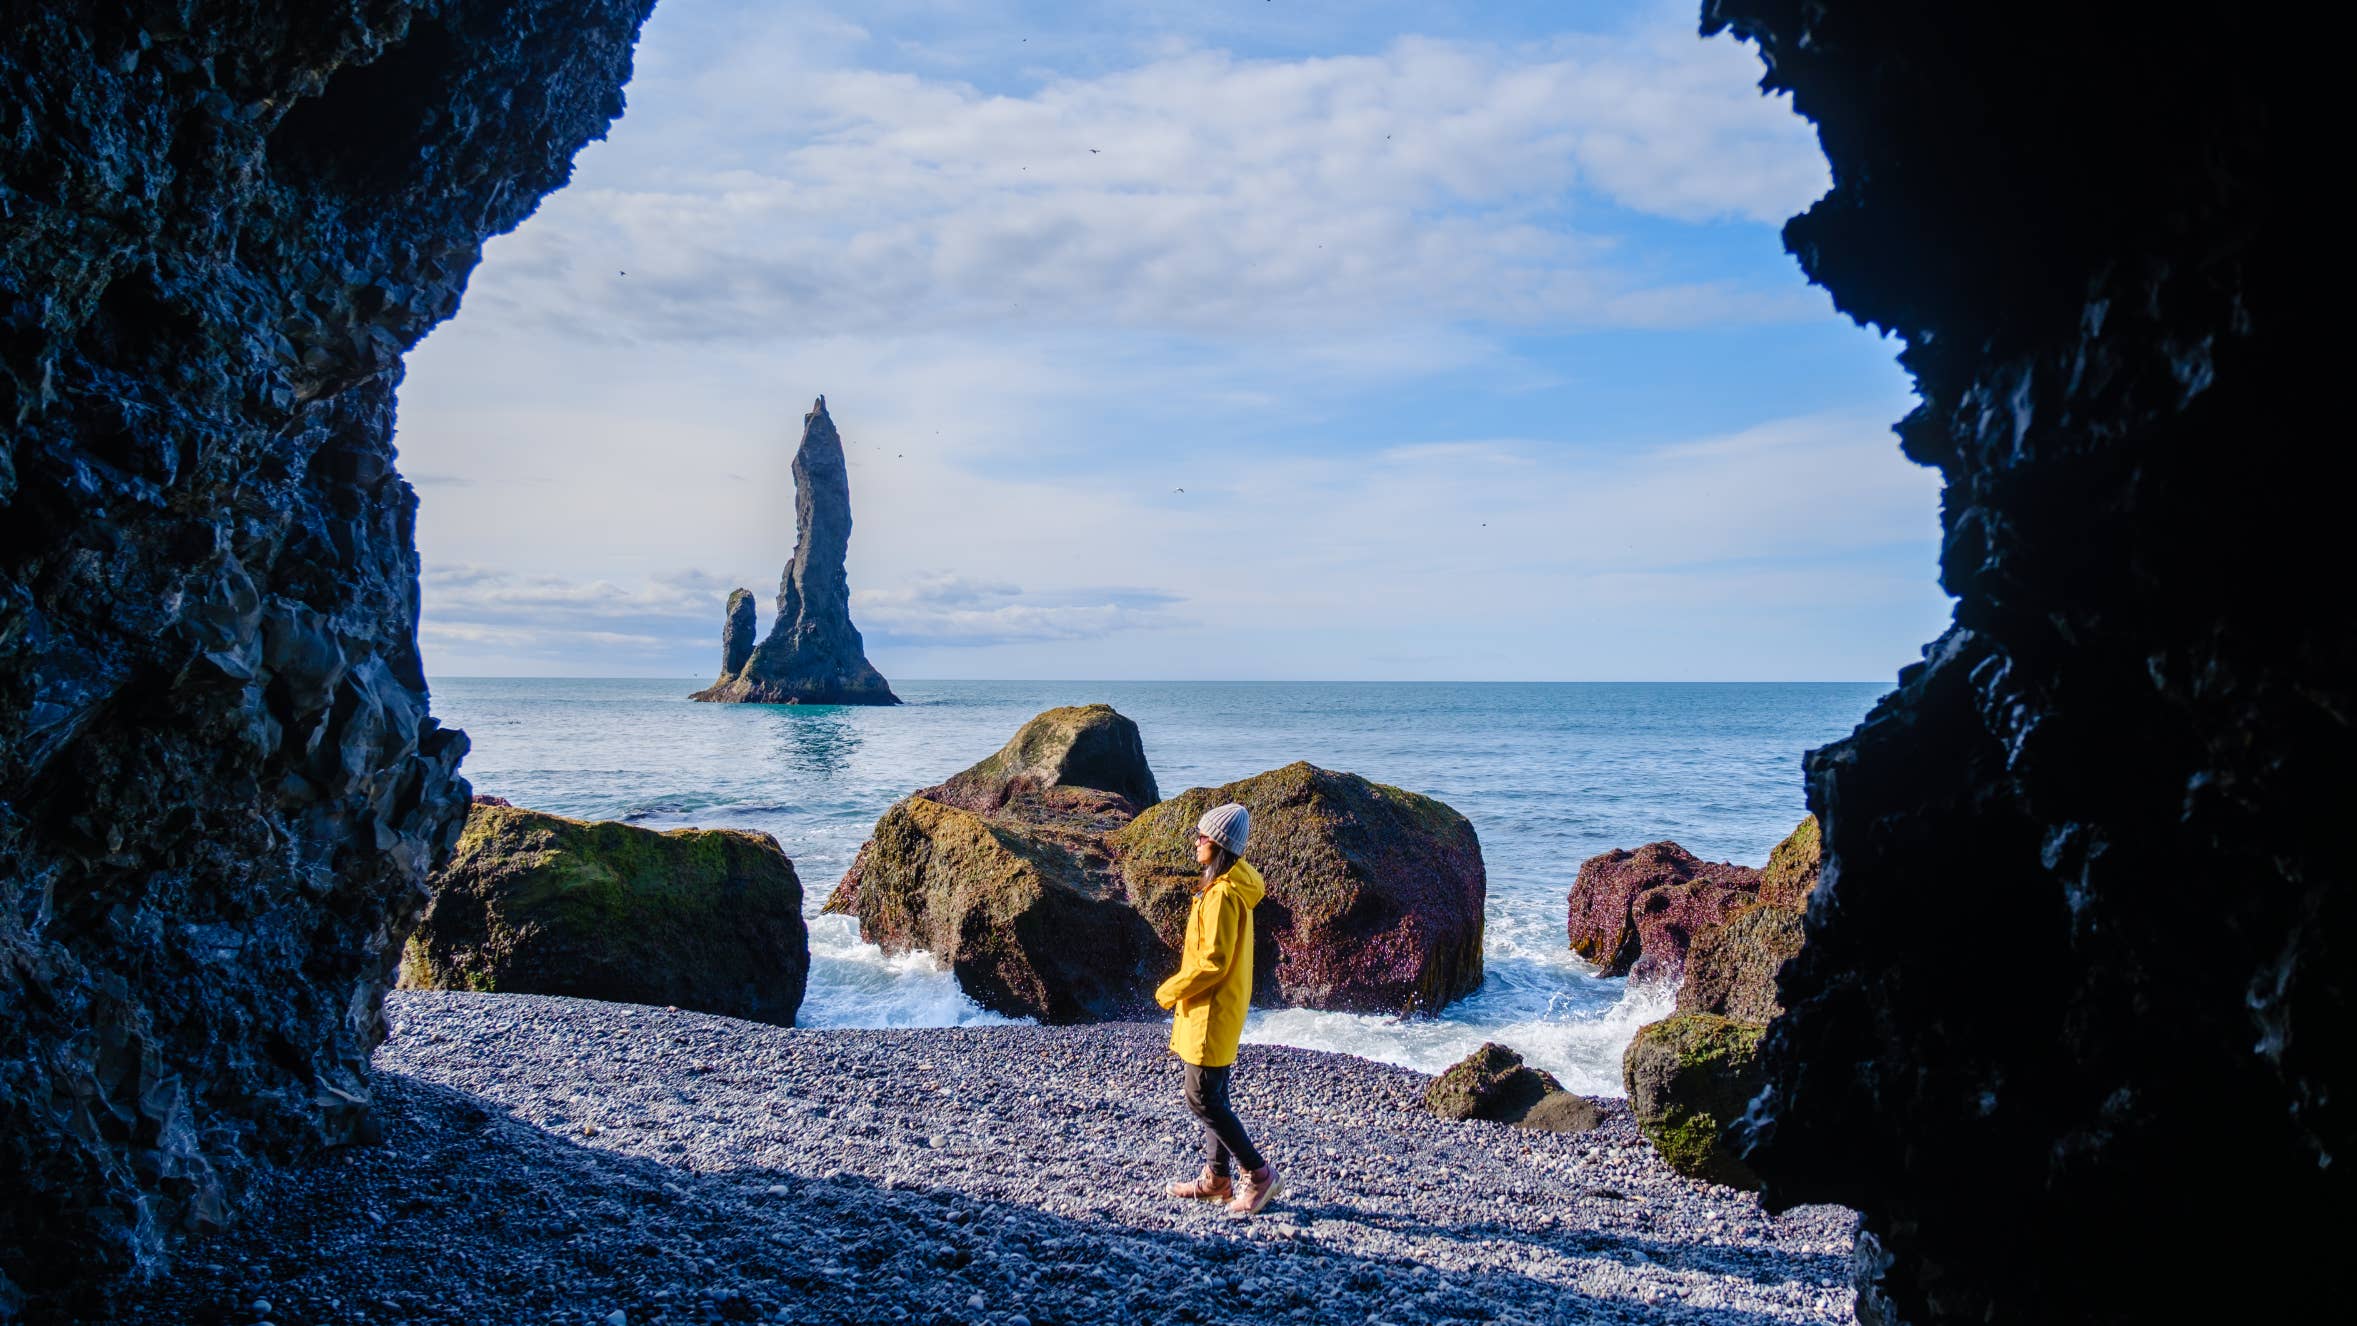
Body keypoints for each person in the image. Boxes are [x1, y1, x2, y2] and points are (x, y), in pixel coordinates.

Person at [1156, 802, 1280, 1217]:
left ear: (1219, 845)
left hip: (1211, 1011)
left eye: (1203, 837)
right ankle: (1217, 1180)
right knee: (1213, 1095)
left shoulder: (1224, 895)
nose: (1196, 842)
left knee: (1202, 1099)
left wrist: (1169, 991)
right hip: (1213, 1008)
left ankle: (1259, 1176)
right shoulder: (1223, 888)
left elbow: (1213, 962)